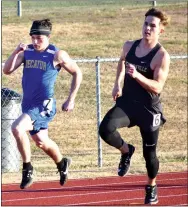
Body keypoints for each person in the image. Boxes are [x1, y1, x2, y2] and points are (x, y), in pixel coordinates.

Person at [99, 8, 170, 204]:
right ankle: (126, 151)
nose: (147, 28)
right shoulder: (129, 46)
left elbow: (157, 87)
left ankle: (151, 186)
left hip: (149, 110)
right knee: (105, 129)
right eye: (146, 23)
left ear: (160, 31)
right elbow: (122, 61)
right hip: (129, 104)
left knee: (150, 155)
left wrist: (137, 75)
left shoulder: (161, 56)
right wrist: (117, 84)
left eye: (152, 26)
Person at [3, 19, 82, 189]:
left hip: (45, 104)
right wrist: (17, 51)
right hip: (28, 104)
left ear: (48, 37)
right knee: (41, 142)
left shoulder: (57, 55)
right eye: (33, 38)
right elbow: (7, 70)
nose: (35, 42)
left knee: (17, 128)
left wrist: (71, 99)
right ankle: (62, 163)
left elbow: (77, 73)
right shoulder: (27, 52)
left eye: (39, 38)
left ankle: (27, 168)